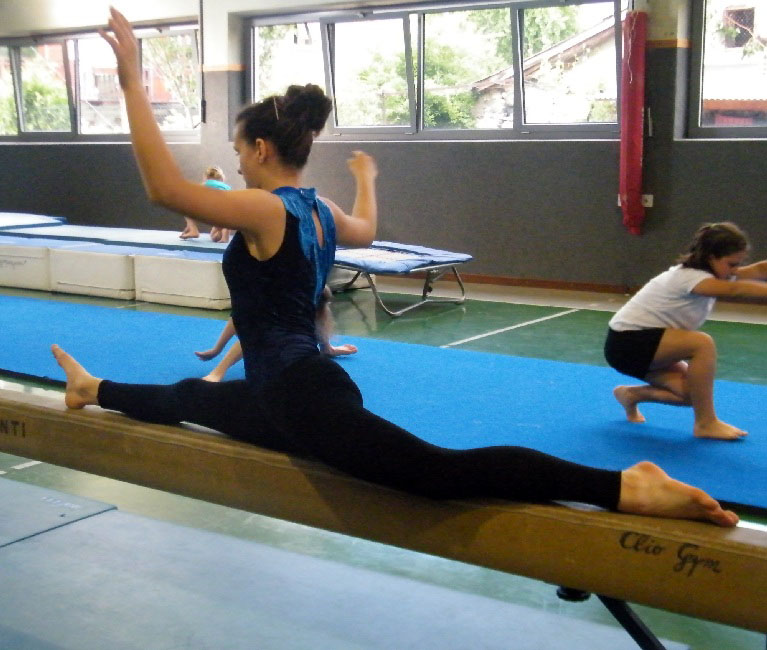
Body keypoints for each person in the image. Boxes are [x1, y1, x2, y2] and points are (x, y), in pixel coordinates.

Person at [51, 7, 739, 529]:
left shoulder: (262, 208)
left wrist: (133, 82)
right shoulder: (318, 208)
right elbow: (367, 231)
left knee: (435, 473)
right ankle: (93, 387)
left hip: (298, 390)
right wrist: (365, 179)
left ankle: (622, 485)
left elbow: (164, 189)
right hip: (280, 387)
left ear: (260, 148)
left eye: (237, 151)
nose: (234, 163)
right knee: (187, 399)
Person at [605, 222, 767, 440]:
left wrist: (742, 270)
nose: (735, 271)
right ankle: (706, 423)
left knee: (693, 394)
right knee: (701, 343)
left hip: (645, 345)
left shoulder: (714, 273)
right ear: (711, 257)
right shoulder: (691, 277)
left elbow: (759, 270)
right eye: (732, 264)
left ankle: (630, 395)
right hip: (627, 343)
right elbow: (735, 289)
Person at [196, 286, 357, 382]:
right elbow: (238, 319)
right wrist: (217, 350)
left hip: (289, 351)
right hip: (276, 335)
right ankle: (219, 370)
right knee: (255, 325)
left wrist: (328, 348)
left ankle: (327, 348)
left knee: (320, 298)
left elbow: (321, 308)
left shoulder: (313, 304)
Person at [180, 165, 231, 241]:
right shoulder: (226, 187)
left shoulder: (206, 184)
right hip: (226, 213)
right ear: (221, 178)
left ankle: (193, 230)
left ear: (206, 177)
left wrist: (190, 224)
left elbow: (192, 195)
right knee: (215, 236)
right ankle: (224, 237)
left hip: (212, 209)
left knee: (185, 208)